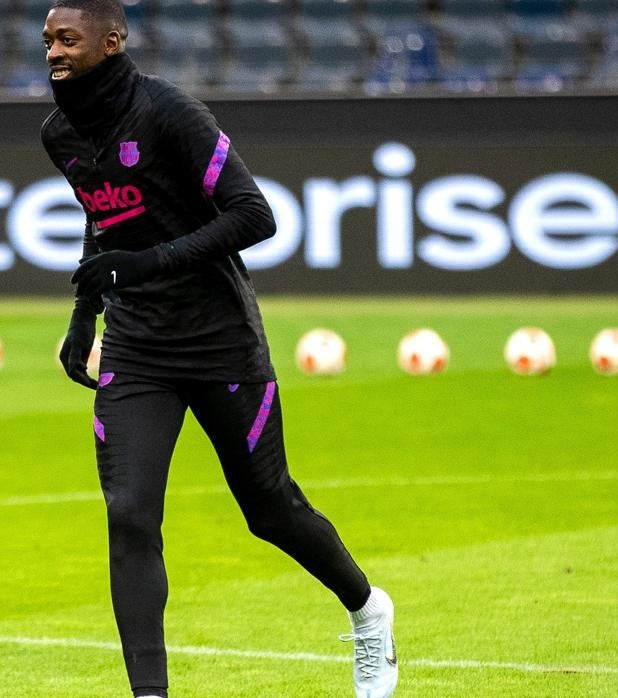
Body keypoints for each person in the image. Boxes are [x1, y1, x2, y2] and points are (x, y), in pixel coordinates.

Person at [41, 3, 397, 696]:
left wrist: (149, 264)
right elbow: (103, 219)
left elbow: (254, 215)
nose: (52, 50)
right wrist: (85, 315)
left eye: (67, 39)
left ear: (112, 42)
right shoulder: (59, 133)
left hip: (219, 341)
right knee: (129, 512)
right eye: (48, 39)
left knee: (270, 508)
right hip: (137, 347)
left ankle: (367, 609)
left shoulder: (170, 113)